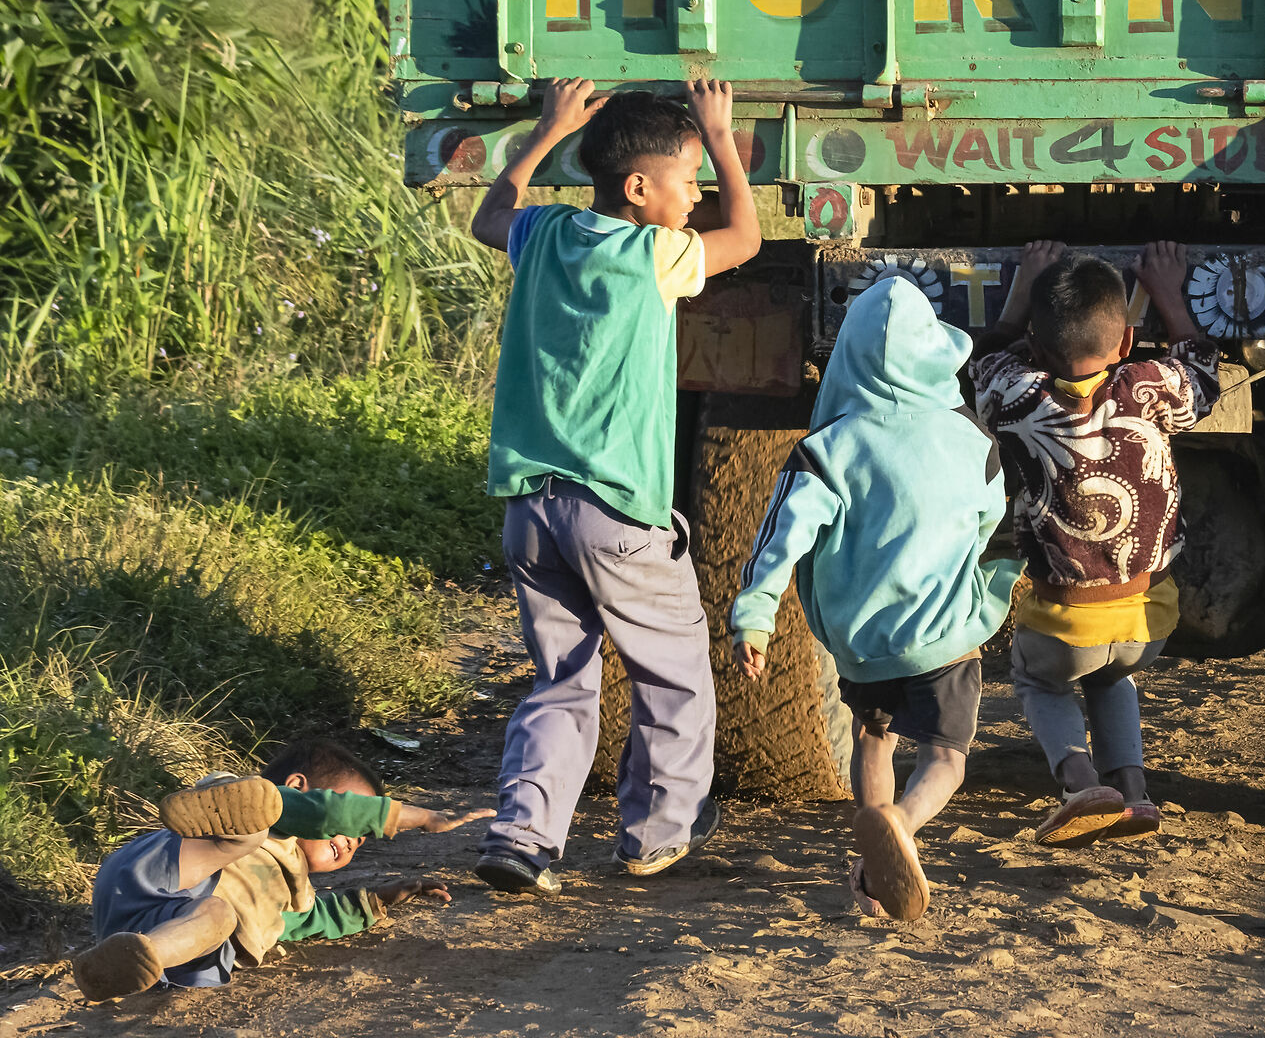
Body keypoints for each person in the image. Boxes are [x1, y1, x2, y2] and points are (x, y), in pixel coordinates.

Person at [467, 79, 762, 895]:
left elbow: (489, 218)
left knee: (561, 679)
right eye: (689, 180)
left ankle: (522, 835)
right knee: (672, 672)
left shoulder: (544, 233)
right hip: (617, 513)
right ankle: (656, 832)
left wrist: (545, 131)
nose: (696, 196)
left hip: (531, 509)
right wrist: (722, 134)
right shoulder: (653, 256)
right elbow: (746, 236)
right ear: (639, 188)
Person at [730, 276, 1016, 923]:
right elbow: (991, 526)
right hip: (945, 633)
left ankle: (873, 866)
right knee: (945, 758)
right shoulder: (971, 439)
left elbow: (780, 537)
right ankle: (902, 825)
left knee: (872, 737)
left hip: (863, 642)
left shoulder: (826, 450)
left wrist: (755, 615)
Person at [969, 240, 1220, 847]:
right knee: (1111, 677)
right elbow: (1203, 377)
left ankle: (1080, 783)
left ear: (1036, 346)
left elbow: (983, 360)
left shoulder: (1014, 393)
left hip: (1064, 621)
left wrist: (1022, 288)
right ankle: (1133, 791)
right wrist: (1169, 297)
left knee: (1038, 680)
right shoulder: (1149, 386)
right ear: (1126, 342)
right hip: (1149, 620)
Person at [72, 742, 489, 1000]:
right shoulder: (268, 816)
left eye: (361, 841)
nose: (352, 840)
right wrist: (417, 817)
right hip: (169, 869)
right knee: (253, 828)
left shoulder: (288, 893)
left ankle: (134, 961)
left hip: (161, 929)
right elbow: (320, 813)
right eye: (353, 823)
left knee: (219, 917)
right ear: (297, 786)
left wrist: (377, 900)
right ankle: (218, 794)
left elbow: (313, 920)